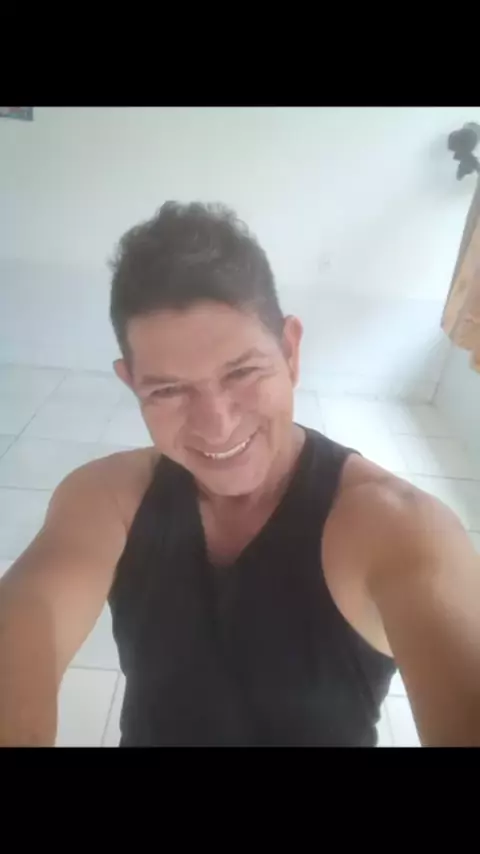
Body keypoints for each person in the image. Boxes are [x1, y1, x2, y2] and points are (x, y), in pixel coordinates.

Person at [1, 202, 479, 747]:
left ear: (290, 352)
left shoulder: (395, 526)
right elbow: (30, 613)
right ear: (131, 384)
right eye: (168, 389)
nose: (216, 424)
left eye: (243, 372)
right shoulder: (108, 498)